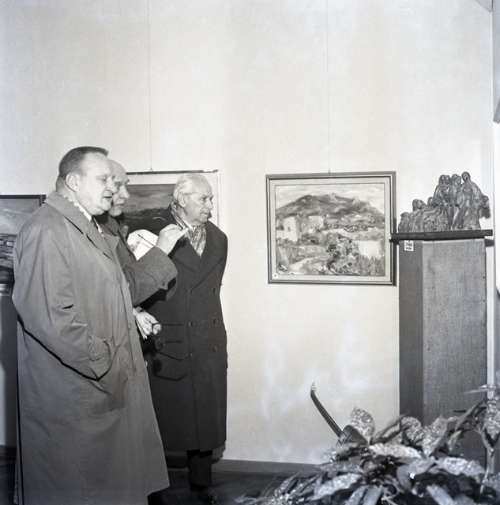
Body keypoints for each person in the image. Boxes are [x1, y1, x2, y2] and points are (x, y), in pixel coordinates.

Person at [12, 146, 169, 505]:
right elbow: (52, 318)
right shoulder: (47, 230)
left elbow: (102, 291)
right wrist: (107, 361)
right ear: (73, 181)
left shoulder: (84, 227)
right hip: (79, 393)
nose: (112, 188)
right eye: (103, 179)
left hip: (97, 389)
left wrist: (130, 315)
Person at [142, 173, 228, 505]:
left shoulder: (219, 239)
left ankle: (201, 485)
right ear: (181, 200)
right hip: (170, 339)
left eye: (210, 198)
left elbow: (211, 289)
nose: (210, 205)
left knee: (205, 418)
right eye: (204, 198)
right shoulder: (154, 235)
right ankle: (153, 488)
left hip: (208, 339)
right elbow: (143, 286)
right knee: (163, 419)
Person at [97, 160, 186, 340]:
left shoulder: (111, 224)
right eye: (117, 186)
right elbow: (118, 293)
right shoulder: (91, 230)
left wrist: (136, 312)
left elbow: (116, 288)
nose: (126, 195)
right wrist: (160, 250)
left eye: (126, 186)